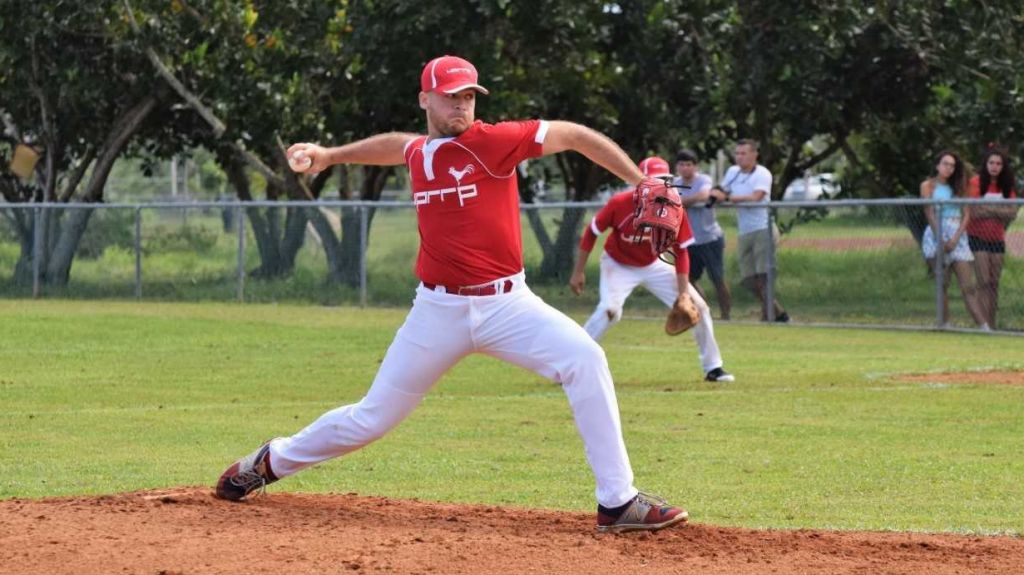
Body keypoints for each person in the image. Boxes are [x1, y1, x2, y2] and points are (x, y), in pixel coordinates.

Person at [214, 55, 687, 534]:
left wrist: (641, 181)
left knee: (585, 358)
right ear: (426, 99)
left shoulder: (493, 142)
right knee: (371, 419)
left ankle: (617, 501)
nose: (462, 105)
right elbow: (398, 146)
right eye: (451, 96)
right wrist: (331, 155)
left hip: (508, 306)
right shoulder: (421, 153)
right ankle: (269, 461)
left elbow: (575, 136)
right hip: (437, 311)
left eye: (468, 96)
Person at [569, 156, 734, 383]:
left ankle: (713, 368)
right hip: (618, 264)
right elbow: (592, 232)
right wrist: (578, 271)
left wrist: (684, 293)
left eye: (665, 180)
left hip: (654, 263)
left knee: (700, 308)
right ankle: (571, 363)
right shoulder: (620, 203)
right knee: (610, 310)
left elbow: (682, 251)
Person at [709, 140, 789, 322]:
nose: (739, 157)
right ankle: (778, 312)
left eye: (743, 153)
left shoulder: (762, 174)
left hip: (763, 228)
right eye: (737, 153)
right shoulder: (732, 172)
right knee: (748, 279)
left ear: (755, 155)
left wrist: (727, 197)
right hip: (744, 230)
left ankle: (768, 315)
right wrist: (716, 193)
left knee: (763, 275)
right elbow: (723, 189)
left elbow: (756, 197)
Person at [920, 150, 989, 329]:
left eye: (952, 165)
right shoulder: (928, 186)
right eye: (945, 164)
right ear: (937, 165)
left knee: (968, 285)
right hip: (936, 233)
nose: (949, 168)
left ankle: (983, 326)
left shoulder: (959, 186)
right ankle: (945, 323)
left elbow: (966, 214)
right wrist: (940, 238)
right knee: (942, 283)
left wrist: (955, 238)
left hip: (957, 233)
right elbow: (928, 211)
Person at [674, 149, 732, 320]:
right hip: (689, 240)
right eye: (682, 165)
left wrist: (682, 202)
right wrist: (686, 202)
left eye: (689, 164)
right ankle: (704, 311)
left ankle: (726, 316)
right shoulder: (675, 183)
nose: (685, 168)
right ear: (677, 167)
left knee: (717, 279)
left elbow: (704, 195)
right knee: (688, 279)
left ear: (695, 166)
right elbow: (671, 201)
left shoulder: (703, 179)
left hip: (709, 238)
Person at [966, 148, 1018, 328]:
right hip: (977, 237)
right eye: (991, 163)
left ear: (1003, 167)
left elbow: (1011, 213)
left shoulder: (1006, 186)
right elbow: (973, 211)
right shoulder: (975, 182)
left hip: (997, 239)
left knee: (994, 283)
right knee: (984, 281)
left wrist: (988, 208)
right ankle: (984, 325)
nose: (994, 167)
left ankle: (992, 325)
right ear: (985, 164)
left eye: (998, 164)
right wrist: (998, 210)